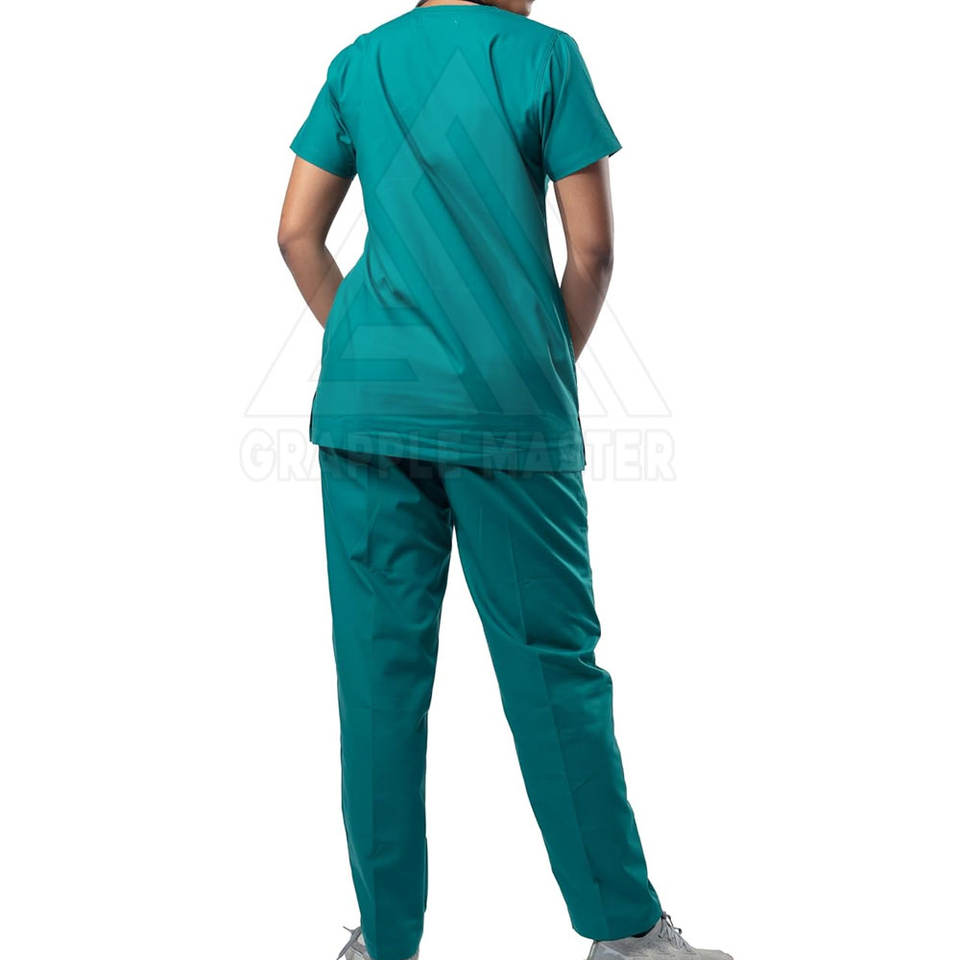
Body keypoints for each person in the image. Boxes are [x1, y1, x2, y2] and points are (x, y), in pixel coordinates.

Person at [278, 3, 732, 959]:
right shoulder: (543, 58)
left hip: (365, 411)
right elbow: (593, 250)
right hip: (507, 412)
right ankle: (627, 937)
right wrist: (535, 366)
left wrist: (370, 348)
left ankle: (382, 945)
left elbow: (295, 234)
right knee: (553, 674)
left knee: (376, 683)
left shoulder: (360, 62)